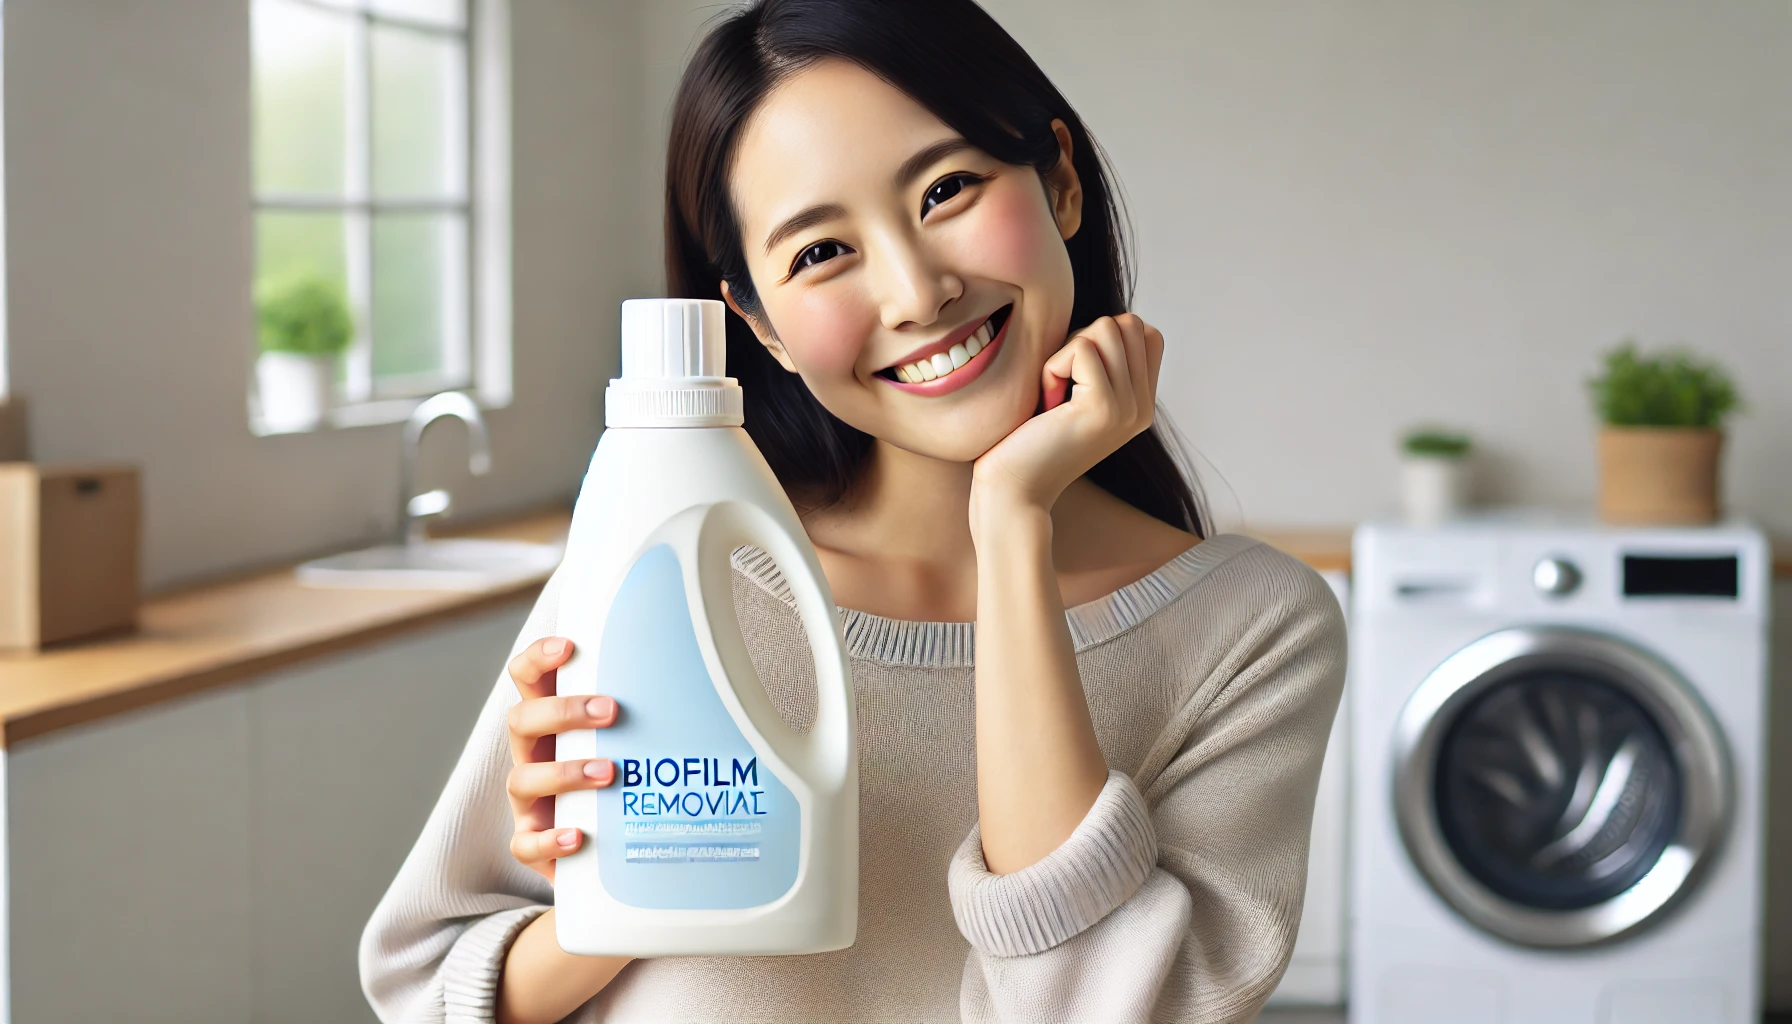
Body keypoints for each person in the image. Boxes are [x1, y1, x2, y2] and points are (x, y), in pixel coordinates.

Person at [360, 1, 1345, 1020]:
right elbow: (431, 988)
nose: (917, 291)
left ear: (1058, 178)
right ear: (759, 322)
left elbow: (1088, 1007)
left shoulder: (1251, 631)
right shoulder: (658, 576)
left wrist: (1012, 523)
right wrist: (619, 883)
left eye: (947, 188)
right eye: (822, 252)